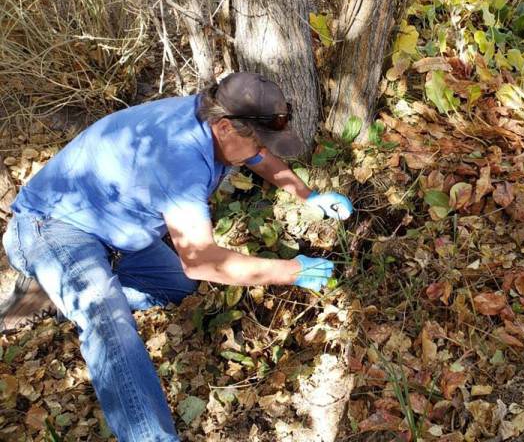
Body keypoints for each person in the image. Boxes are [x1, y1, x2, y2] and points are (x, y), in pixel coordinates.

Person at [1, 72, 353, 441]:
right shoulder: (180, 156)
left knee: (182, 288)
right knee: (108, 318)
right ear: (224, 127)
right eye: (256, 140)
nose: (259, 149)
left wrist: (308, 195)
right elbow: (201, 258)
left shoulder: (216, 120)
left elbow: (258, 156)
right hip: (52, 227)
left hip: (116, 238)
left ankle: (64, 294)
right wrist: (291, 271)